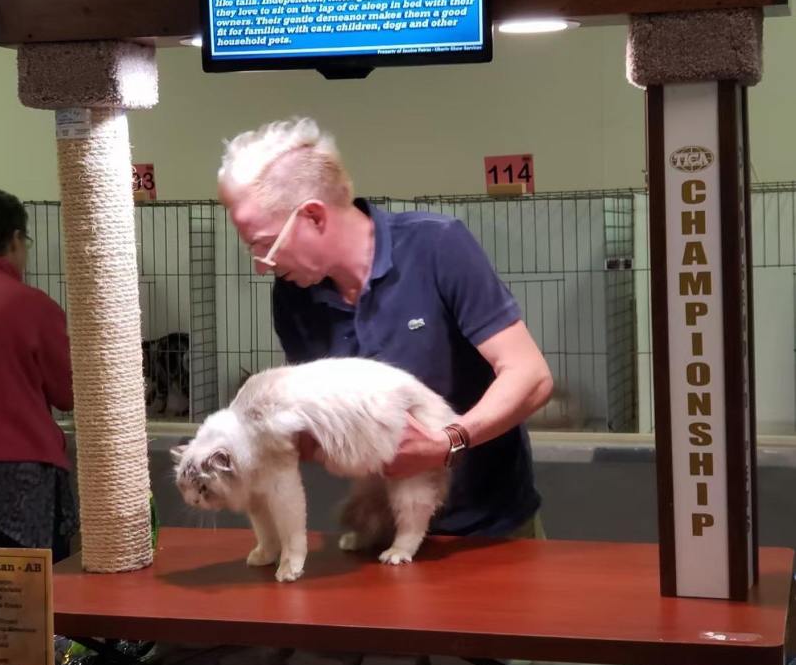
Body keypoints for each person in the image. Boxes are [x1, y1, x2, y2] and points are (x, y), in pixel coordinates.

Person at [218, 118, 553, 540]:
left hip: (488, 529)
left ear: (314, 216)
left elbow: (531, 376)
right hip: (384, 529)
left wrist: (448, 442)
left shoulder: (437, 246)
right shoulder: (294, 297)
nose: (261, 264)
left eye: (265, 244)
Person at [0, 190, 77, 560]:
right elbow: (69, 393)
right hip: (20, 479)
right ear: (16, 239)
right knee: (31, 589)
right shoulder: (32, 307)